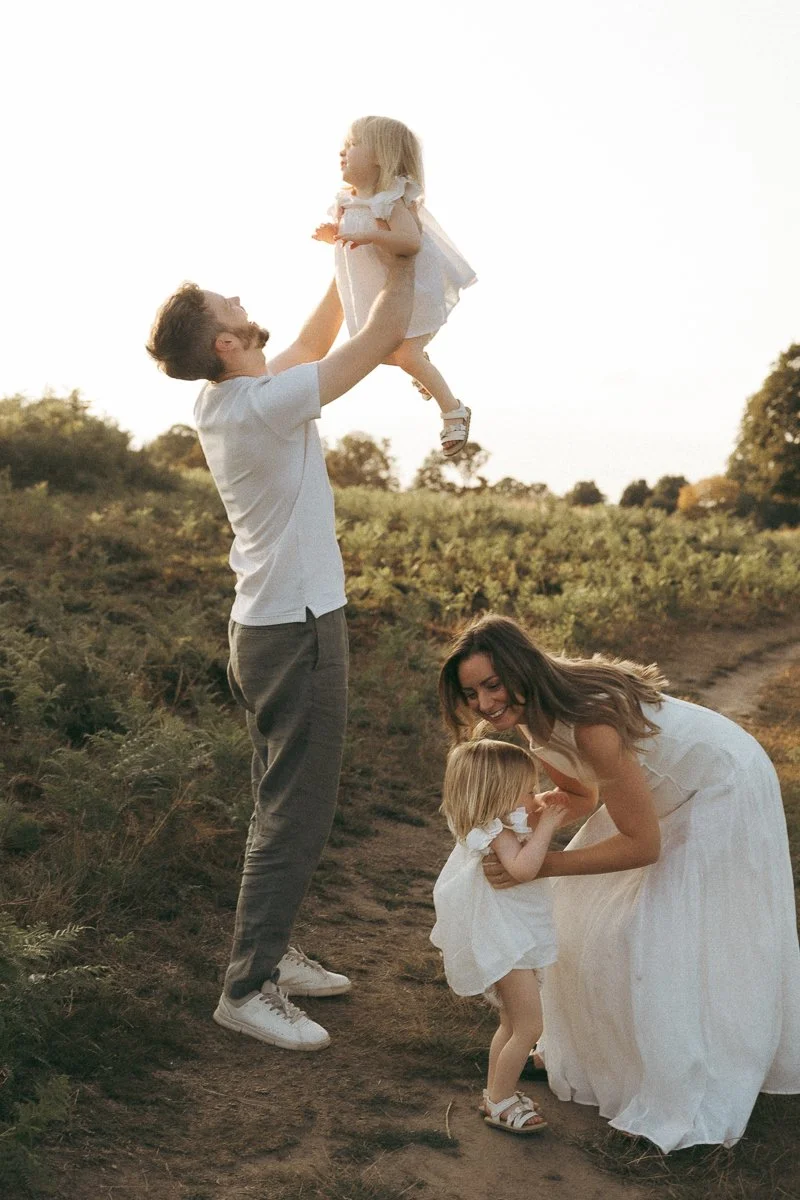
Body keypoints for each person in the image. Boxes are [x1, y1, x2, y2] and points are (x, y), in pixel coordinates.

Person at [145, 245, 416, 1051]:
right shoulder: (262, 405)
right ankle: (248, 986)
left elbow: (317, 330)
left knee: (279, 805)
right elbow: (375, 337)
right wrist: (397, 247)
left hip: (267, 627)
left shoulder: (239, 397)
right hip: (295, 629)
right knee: (296, 813)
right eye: (230, 303)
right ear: (226, 343)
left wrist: (351, 249)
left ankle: (272, 953)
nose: (239, 298)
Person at [439, 613, 800, 1152]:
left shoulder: (591, 725)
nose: (486, 704)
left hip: (720, 783)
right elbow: (582, 798)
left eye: (493, 684)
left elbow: (642, 847)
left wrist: (540, 865)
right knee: (582, 915)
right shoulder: (532, 724)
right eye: (472, 694)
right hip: (653, 799)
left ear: (521, 668)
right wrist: (534, 816)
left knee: (661, 929)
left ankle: (684, 1074)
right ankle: (590, 1050)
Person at [312, 114, 476, 459]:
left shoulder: (390, 201)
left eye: (353, 145)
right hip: (376, 293)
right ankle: (421, 367)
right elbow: (355, 246)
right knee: (379, 354)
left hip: (411, 293)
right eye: (343, 146)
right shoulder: (347, 201)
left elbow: (409, 241)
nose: (343, 152)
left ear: (379, 157)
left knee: (404, 354)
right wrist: (335, 237)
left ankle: (453, 409)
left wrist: (370, 233)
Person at [431, 739, 567, 1134]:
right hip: (507, 944)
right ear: (500, 795)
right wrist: (548, 826)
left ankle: (497, 1091)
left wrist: (537, 818)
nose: (533, 796)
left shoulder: (496, 827)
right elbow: (524, 869)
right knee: (530, 1026)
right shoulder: (495, 833)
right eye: (527, 789)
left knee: (511, 1024)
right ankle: (500, 1100)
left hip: (510, 939)